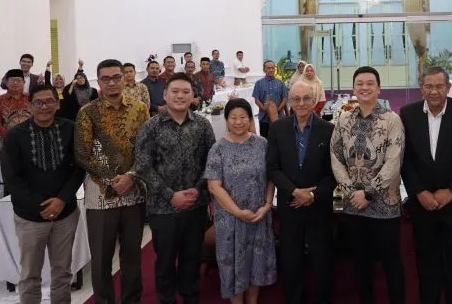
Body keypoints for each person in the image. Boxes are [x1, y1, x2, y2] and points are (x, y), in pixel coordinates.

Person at [400, 66, 452, 304]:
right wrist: (419, 192)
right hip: (423, 206)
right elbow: (404, 159)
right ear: (421, 88)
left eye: (439, 86)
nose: (434, 91)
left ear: (448, 87)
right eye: (428, 86)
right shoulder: (408, 113)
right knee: (426, 263)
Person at [134, 73, 216, 304]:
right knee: (165, 260)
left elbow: (211, 161)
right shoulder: (151, 126)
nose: (180, 96)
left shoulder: (202, 125)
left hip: (195, 205)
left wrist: (198, 190)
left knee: (192, 257)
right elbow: (143, 166)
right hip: (163, 208)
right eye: (175, 91)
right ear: (165, 94)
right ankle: (167, 299)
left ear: (192, 96)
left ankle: (191, 296)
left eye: (185, 92)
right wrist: (171, 196)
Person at [0, 84, 85, 304]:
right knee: (29, 275)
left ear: (57, 104)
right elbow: (12, 179)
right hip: (29, 218)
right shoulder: (14, 136)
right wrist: (43, 206)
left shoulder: (70, 128)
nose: (44, 107)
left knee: (63, 272)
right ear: (30, 105)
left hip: (65, 214)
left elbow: (79, 168)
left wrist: (61, 200)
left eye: (49, 101)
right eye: (38, 102)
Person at [75, 59, 149, 304]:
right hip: (100, 195)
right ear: (99, 82)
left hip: (133, 190)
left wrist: (131, 176)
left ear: (124, 78)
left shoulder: (139, 108)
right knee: (101, 258)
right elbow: (82, 154)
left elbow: (147, 148)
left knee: (132, 257)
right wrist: (112, 179)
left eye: (116, 77)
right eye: (106, 79)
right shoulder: (88, 112)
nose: (112, 83)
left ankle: (131, 300)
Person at [331, 66, 405, 304]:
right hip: (354, 206)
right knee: (360, 262)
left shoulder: (392, 120)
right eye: (359, 83)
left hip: (385, 206)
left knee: (391, 261)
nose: (364, 87)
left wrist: (369, 193)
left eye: (369, 83)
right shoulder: (343, 120)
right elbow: (335, 157)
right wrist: (353, 193)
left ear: (378, 88)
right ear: (353, 89)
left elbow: (394, 161)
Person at [266, 81, 335, 304]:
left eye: (306, 98)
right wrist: (295, 191)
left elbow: (334, 173)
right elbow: (272, 168)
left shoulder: (329, 130)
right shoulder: (278, 128)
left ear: (314, 100)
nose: (302, 103)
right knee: (291, 260)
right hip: (290, 206)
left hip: (319, 207)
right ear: (290, 101)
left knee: (322, 261)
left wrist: (312, 195)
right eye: (296, 99)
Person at [205, 98, 276, 304]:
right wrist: (237, 212)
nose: (238, 122)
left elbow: (270, 178)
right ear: (226, 120)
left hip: (259, 216)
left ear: (250, 118)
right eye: (233, 117)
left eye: (243, 117)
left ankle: (252, 301)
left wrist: (267, 206)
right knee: (234, 265)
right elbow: (214, 186)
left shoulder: (262, 144)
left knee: (256, 262)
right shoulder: (218, 148)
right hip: (230, 221)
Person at [0, 69, 32, 138]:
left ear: (24, 82)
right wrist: (13, 137)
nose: (15, 83)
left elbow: (38, 119)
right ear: (6, 83)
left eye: (18, 80)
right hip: (8, 142)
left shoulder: (30, 98)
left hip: (30, 140)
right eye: (12, 80)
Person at [253, 60, 288, 138]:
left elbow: (285, 98)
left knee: (280, 139)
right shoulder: (259, 83)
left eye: (273, 68)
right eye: (268, 68)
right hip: (264, 118)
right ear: (264, 69)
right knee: (265, 140)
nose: (271, 70)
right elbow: (256, 100)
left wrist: (277, 110)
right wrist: (265, 109)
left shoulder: (280, 83)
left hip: (279, 118)